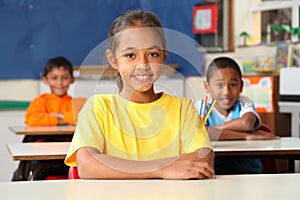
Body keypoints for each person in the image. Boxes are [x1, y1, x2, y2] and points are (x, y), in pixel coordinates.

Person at [64, 10, 215, 180]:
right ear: (113, 59)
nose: (143, 65)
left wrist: (117, 167)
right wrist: (162, 169)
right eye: (130, 55)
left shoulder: (182, 109)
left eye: (152, 54)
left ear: (163, 57)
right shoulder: (98, 107)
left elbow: (203, 159)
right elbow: (88, 166)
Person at [195, 56, 279, 174]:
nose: (227, 92)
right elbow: (199, 134)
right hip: (215, 174)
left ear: (241, 85)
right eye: (220, 85)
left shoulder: (244, 103)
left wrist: (212, 130)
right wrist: (246, 136)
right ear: (206, 86)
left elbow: (246, 123)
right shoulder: (201, 108)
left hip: (249, 174)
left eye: (233, 85)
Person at [12, 56, 86, 181]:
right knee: (21, 173)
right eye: (54, 78)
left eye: (65, 78)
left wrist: (58, 115)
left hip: (69, 154)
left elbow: (86, 118)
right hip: (41, 154)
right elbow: (32, 119)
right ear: (45, 80)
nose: (60, 82)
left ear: (72, 80)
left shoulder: (77, 102)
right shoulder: (40, 102)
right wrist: (66, 118)